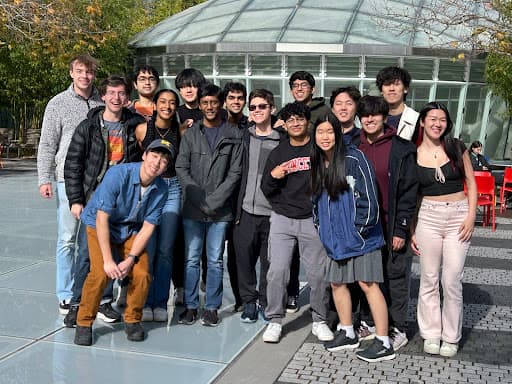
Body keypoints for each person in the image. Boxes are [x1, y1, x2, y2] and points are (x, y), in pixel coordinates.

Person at [311, 114, 396, 362]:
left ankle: (383, 341)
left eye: (330, 132)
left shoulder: (354, 159)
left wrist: (359, 230)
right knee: (337, 284)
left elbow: (369, 199)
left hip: (361, 238)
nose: (325, 137)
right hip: (333, 240)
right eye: (320, 132)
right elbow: (315, 203)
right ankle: (347, 332)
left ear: (338, 133)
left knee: (368, 284)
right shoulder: (317, 163)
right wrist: (321, 228)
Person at [73, 139, 174, 346]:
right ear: (145, 155)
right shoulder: (119, 174)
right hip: (100, 224)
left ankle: (132, 319)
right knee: (100, 273)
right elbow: (102, 218)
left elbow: (148, 227)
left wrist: (130, 259)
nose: (157, 163)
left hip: (130, 228)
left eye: (163, 160)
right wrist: (109, 261)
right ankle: (84, 322)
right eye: (154, 156)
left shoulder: (162, 188)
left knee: (143, 273)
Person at [63, 75, 145, 327]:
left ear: (127, 97)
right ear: (103, 96)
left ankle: (104, 301)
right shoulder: (88, 127)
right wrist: (76, 200)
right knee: (87, 255)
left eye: (121, 93)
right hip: (93, 201)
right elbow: (73, 165)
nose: (116, 98)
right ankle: (77, 304)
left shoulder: (134, 127)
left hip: (122, 203)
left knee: (113, 253)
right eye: (111, 93)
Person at [260, 102, 333, 344]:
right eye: (290, 120)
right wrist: (274, 175)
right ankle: (274, 320)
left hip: (312, 219)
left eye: (299, 119)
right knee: (277, 271)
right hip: (282, 218)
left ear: (307, 121)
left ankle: (320, 320)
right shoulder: (278, 153)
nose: (295, 123)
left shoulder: (318, 149)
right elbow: (266, 187)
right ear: (284, 124)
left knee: (317, 274)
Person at [37, 54, 103, 314]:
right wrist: (45, 178)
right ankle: (65, 293)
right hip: (68, 180)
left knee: (93, 241)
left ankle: (90, 290)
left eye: (89, 72)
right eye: (80, 71)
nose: (85, 76)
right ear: (71, 73)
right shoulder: (58, 104)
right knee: (67, 239)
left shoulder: (101, 101)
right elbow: (47, 143)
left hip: (97, 181)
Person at [411, 102, 477, 358]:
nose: (437, 123)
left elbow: (470, 182)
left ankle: (451, 336)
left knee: (451, 280)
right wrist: (412, 230)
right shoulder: (413, 153)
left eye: (442, 119)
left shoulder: (456, 147)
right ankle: (431, 333)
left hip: (458, 215)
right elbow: (414, 196)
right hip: (428, 216)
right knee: (428, 278)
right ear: (422, 122)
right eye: (432, 118)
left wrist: (471, 216)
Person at [175, 83, 243, 327]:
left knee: (214, 260)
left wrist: (213, 202)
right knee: (192, 259)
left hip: (220, 211)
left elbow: (235, 173)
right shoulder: (191, 135)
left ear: (221, 103)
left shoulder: (234, 135)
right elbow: (181, 167)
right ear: (200, 105)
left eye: (214, 102)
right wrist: (198, 199)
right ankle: (191, 306)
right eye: (205, 103)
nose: (210, 107)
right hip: (193, 209)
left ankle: (212, 307)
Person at [357, 95, 419, 352]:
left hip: (391, 223)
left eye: (375, 114)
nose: (370, 119)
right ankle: (371, 322)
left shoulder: (401, 148)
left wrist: (401, 228)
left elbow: (408, 191)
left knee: (396, 277)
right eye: (365, 115)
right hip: (363, 227)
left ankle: (398, 327)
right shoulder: (352, 146)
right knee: (368, 277)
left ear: (384, 116)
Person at [233, 89, 285, 322]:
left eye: (262, 106)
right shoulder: (244, 137)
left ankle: (265, 300)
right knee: (244, 260)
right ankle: (248, 302)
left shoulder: (282, 140)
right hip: (245, 211)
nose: (256, 111)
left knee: (269, 263)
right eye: (252, 107)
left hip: (272, 213)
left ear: (272, 109)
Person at [135, 89, 182, 322]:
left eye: (172, 103)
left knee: (165, 250)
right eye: (163, 101)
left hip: (172, 188)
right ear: (155, 104)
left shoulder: (181, 130)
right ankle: (143, 301)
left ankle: (160, 301)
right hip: (150, 188)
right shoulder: (143, 129)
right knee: (147, 247)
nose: (167, 106)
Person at [222, 81, 249, 312]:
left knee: (238, 250)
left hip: (243, 195)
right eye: (232, 98)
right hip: (220, 196)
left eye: (240, 98)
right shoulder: (217, 125)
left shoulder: (250, 126)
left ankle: (244, 298)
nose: (236, 102)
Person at [376, 66, 419, 140]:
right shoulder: (372, 117)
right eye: (387, 84)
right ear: (381, 91)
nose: (391, 89)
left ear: (405, 89)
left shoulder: (416, 119)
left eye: (396, 84)